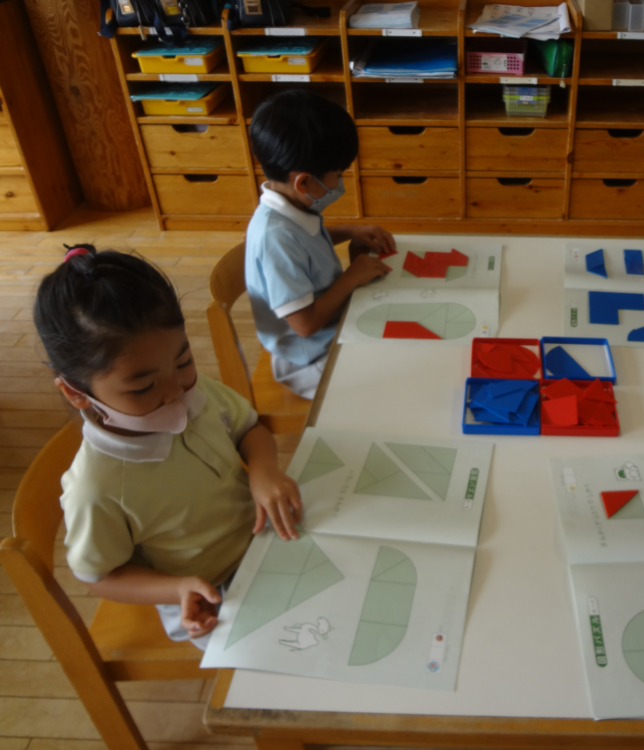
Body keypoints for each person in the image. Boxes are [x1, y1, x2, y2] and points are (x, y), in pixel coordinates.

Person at [34, 246, 303, 647]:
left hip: (267, 537)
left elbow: (249, 428)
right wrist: (176, 589)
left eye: (183, 362)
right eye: (143, 386)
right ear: (76, 393)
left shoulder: (196, 394)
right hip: (210, 594)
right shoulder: (96, 488)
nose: (175, 391)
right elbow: (100, 575)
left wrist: (264, 471)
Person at [246, 89, 395, 399]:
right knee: (397, 379)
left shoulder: (291, 208)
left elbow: (305, 241)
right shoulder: (275, 238)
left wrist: (350, 231)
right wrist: (351, 277)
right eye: (337, 175)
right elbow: (305, 324)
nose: (339, 183)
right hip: (309, 359)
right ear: (303, 182)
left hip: (332, 329)